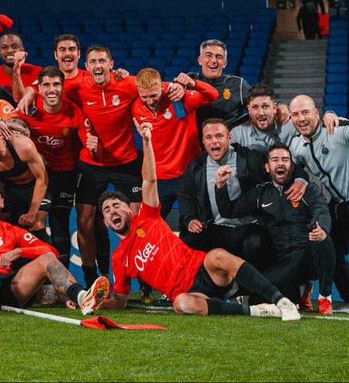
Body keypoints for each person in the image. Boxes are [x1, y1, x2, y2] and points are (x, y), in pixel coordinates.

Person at [95, 123, 299, 320]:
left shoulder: (147, 216)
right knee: (181, 304)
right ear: (105, 222)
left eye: (116, 205)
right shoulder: (120, 258)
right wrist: (97, 303)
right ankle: (258, 311)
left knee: (217, 255)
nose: (113, 210)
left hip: (204, 270)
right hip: (190, 294)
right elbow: (120, 300)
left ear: (129, 209)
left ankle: (281, 301)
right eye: (107, 210)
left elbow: (150, 180)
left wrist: (147, 141)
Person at [0, 173, 111, 315]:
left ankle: (82, 297)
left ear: (2, 203)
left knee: (46, 258)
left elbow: (52, 252)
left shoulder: (11, 230)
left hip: (9, 288)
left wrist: (19, 252)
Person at [287, 95, 349, 315]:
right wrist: (301, 179)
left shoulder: (336, 128)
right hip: (341, 201)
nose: (301, 118)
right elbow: (298, 166)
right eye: (296, 114)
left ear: (316, 113)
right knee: (330, 245)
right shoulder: (297, 145)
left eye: (305, 112)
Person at [215, 143, 336, 315]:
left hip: (306, 257)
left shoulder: (307, 190)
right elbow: (228, 210)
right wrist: (220, 187)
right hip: (281, 261)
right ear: (267, 167)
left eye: (285, 160)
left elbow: (321, 210)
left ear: (291, 166)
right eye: (275, 160)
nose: (280, 163)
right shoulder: (260, 193)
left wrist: (322, 228)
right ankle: (301, 291)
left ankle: (325, 298)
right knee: (259, 298)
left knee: (323, 240)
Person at [75, 44, 143, 285]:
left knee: (137, 221)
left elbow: (154, 84)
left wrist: (178, 86)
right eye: (93, 61)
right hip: (92, 163)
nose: (98, 65)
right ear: (86, 67)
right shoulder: (79, 85)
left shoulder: (128, 83)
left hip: (126, 161)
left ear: (112, 64)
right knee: (85, 221)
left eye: (102, 60)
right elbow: (47, 86)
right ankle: (94, 280)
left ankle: (143, 281)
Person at [176, 119, 273, 268]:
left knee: (256, 243)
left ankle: (251, 288)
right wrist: (190, 219)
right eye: (208, 137)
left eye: (219, 136)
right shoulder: (196, 167)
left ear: (229, 138)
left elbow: (278, 171)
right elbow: (185, 195)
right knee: (184, 246)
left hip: (247, 227)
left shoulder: (249, 159)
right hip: (215, 227)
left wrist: (300, 179)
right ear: (203, 141)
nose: (214, 141)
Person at [15, 66, 84, 268]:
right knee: (37, 219)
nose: (51, 89)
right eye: (46, 85)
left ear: (62, 87)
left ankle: (63, 279)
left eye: (56, 84)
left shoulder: (73, 111)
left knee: (60, 222)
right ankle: (43, 277)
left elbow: (85, 138)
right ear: (39, 87)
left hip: (65, 172)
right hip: (39, 174)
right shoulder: (28, 106)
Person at [131, 68, 219, 217]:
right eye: (144, 97)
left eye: (154, 95)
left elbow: (213, 95)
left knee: (196, 222)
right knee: (151, 224)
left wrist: (193, 83)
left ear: (161, 87)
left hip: (189, 174)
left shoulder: (180, 99)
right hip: (160, 178)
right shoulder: (136, 108)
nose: (150, 101)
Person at [188, 39, 252, 128]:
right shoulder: (189, 82)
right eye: (208, 56)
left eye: (219, 57)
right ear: (200, 60)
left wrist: (278, 106)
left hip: (229, 140)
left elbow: (259, 102)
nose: (213, 60)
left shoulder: (238, 84)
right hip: (194, 140)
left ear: (225, 63)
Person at [0, 33, 41, 104]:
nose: (10, 51)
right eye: (4, 47)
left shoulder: (38, 72)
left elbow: (22, 101)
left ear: (22, 50)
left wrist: (16, 67)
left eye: (15, 46)